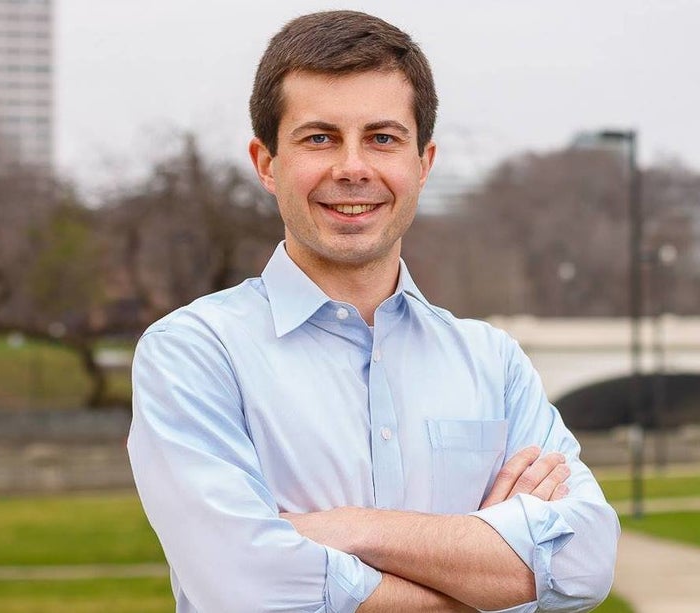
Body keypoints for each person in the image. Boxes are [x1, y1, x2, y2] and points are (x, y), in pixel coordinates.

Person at [128, 10, 619, 613]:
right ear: (266, 164)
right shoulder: (195, 353)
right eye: (320, 138)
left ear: (423, 163)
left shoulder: (494, 363)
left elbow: (584, 566)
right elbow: (245, 588)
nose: (353, 168)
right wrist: (482, 567)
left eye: (383, 138)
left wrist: (354, 528)